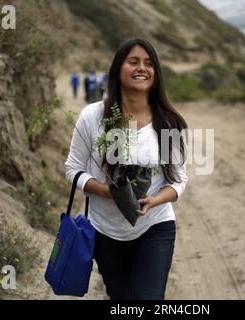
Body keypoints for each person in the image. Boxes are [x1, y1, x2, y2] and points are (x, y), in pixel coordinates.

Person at [65, 38, 188, 300]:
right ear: (118, 70)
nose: (142, 68)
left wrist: (154, 201)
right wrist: (106, 191)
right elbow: (73, 168)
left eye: (149, 63)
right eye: (133, 62)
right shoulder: (93, 116)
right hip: (105, 231)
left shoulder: (170, 122)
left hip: (156, 226)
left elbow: (178, 181)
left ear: (156, 74)